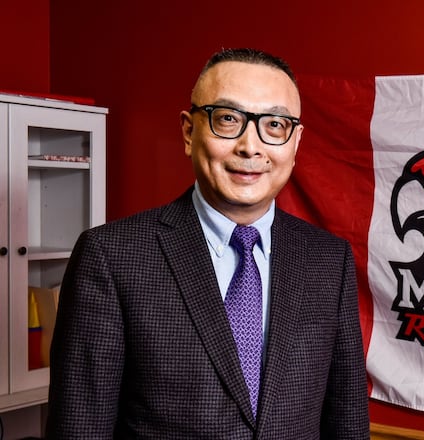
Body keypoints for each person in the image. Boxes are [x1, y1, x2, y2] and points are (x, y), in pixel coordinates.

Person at [46, 48, 370, 439]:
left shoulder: (327, 259)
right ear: (188, 131)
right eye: (228, 119)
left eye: (274, 125)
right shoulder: (111, 257)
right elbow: (80, 427)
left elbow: (347, 418)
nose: (251, 147)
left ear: (295, 141)